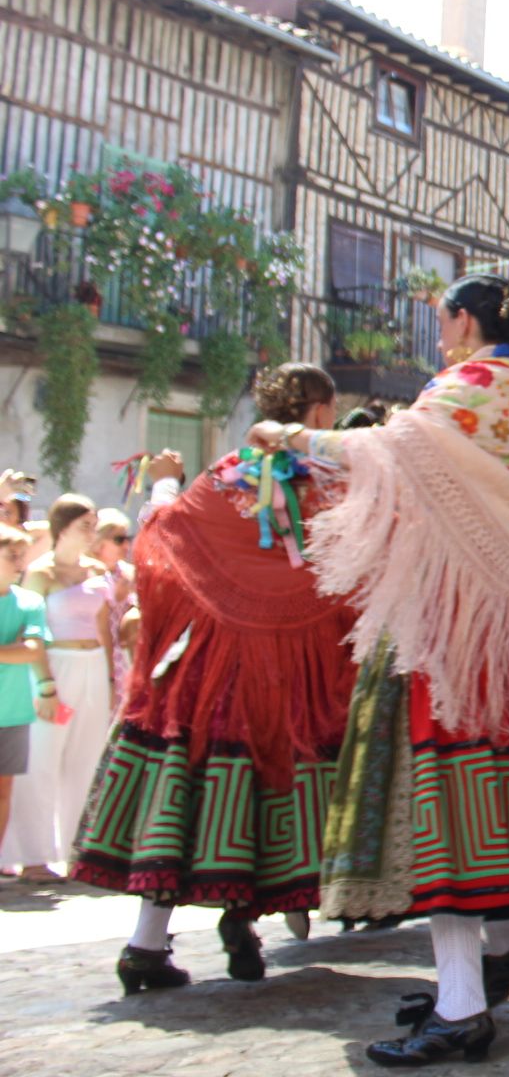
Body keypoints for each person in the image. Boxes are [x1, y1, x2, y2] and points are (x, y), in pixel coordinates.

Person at [255, 274, 509, 1066]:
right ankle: (505, 945)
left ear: (463, 320)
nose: (438, 331)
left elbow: (391, 451)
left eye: (441, 317)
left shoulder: (474, 381)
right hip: (502, 619)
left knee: (446, 805)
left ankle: (461, 1008)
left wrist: (292, 440)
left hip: (454, 622)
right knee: (483, 789)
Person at [69, 364, 361, 990]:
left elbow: (164, 540)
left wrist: (165, 485)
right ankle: (255, 912)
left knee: (194, 788)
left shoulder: (227, 471)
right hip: (292, 672)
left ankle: (148, 944)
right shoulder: (329, 481)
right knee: (280, 786)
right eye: (331, 409)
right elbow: (351, 569)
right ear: (315, 412)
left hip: (213, 666)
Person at [0, 494, 109, 882]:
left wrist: (111, 674)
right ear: (63, 526)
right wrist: (44, 685)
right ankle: (32, 854)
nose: (92, 531)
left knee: (86, 760)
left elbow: (103, 629)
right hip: (54, 667)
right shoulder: (40, 573)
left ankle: (75, 852)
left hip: (93, 666)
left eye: (95, 524)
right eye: (85, 523)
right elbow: (34, 638)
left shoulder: (97, 570)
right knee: (41, 761)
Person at [0, 524, 52, 865]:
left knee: (3, 792)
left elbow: (32, 650)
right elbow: (21, 649)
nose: (20, 563)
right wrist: (11, 647)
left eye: (22, 555)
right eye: (11, 555)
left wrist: (22, 648)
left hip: (13, 711)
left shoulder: (30, 601)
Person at [87, 508, 135, 705]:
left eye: (127, 538)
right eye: (119, 539)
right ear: (99, 542)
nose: (126, 545)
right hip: (93, 655)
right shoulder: (86, 572)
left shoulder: (129, 573)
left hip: (122, 656)